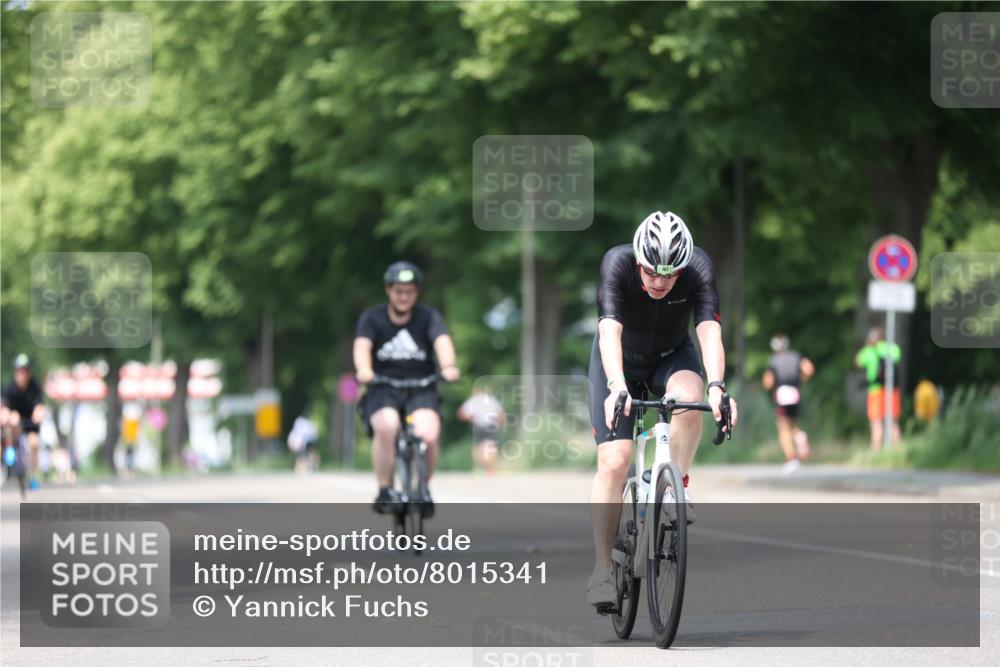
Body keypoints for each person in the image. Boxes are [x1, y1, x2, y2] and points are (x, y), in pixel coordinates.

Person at [586, 211, 738, 610]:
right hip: (618, 363)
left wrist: (718, 386)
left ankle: (675, 486)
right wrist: (617, 385)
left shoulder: (699, 268)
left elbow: (709, 331)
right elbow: (609, 330)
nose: (658, 281)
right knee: (614, 462)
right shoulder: (616, 263)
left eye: (669, 275)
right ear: (638, 260)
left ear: (683, 268)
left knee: (691, 398)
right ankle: (602, 570)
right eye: (651, 271)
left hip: (671, 356)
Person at [354, 261, 460, 517]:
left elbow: (443, 343)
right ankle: (385, 489)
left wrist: (448, 366)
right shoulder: (372, 318)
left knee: (429, 434)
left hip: (421, 386)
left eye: (410, 291)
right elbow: (362, 347)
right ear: (388, 290)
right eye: (398, 291)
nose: (404, 297)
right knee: (386, 426)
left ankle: (423, 488)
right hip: (383, 386)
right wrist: (364, 370)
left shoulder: (429, 317)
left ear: (417, 292)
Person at [762, 334, 815, 474]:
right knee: (791, 424)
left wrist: (770, 386)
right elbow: (809, 369)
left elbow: (768, 382)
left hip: (782, 393)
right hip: (795, 392)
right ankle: (799, 436)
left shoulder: (774, 360)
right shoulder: (796, 356)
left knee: (783, 428)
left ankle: (791, 459)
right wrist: (800, 380)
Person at [1, 354, 46, 490]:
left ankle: (33, 476)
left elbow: (40, 406)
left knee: (34, 444)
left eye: (25, 370)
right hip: (16, 423)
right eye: (20, 370)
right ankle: (10, 449)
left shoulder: (35, 386)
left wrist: (39, 413)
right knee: (13, 421)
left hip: (30, 422)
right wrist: (7, 416)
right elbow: (5, 409)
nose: (23, 374)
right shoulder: (10, 387)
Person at [855, 326, 901, 450]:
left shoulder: (869, 350)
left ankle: (876, 451)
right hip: (892, 389)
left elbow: (857, 362)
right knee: (893, 421)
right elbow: (898, 358)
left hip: (875, 390)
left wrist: (867, 345)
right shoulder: (892, 348)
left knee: (876, 422)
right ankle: (898, 451)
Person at [457, 387, 506, 475]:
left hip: (478, 426)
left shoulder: (473, 401)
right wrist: (501, 423)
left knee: (480, 447)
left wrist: (471, 419)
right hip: (491, 425)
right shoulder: (491, 400)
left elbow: (461, 413)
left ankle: (483, 466)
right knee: (490, 446)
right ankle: (489, 467)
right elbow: (500, 413)